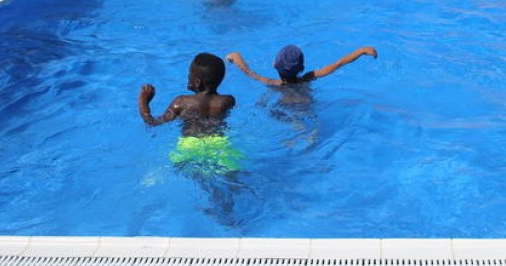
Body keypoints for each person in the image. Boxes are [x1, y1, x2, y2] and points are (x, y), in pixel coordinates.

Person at [138, 53, 241, 174]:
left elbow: (152, 122)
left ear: (197, 82)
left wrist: (143, 101)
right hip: (219, 144)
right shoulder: (227, 101)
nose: (187, 76)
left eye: (189, 75)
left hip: (190, 146)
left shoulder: (181, 102)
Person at [226, 44, 378, 87]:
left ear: (274, 65)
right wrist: (361, 51)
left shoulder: (272, 83)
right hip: (305, 107)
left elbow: (248, 72)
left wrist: (234, 56)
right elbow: (337, 64)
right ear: (301, 68)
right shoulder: (308, 78)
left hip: (283, 110)